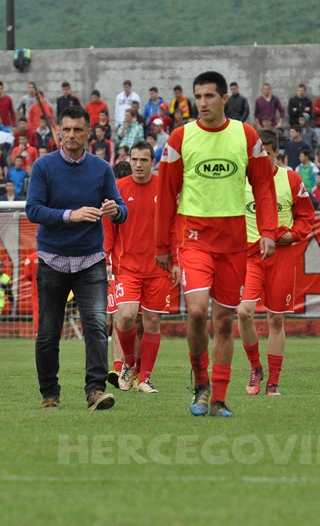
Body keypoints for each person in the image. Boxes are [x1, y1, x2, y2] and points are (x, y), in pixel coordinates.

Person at [155, 71, 277, 418]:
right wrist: (161, 245)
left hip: (235, 242)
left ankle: (219, 397)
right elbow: (166, 194)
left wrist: (267, 230)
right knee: (196, 312)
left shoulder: (246, 135)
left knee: (224, 321)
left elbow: (264, 187)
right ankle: (200, 383)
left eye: (209, 96)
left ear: (225, 98)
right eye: (199, 96)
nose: (203, 103)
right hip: (193, 238)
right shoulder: (180, 138)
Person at [25, 105, 128, 411]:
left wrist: (115, 210)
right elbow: (33, 209)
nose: (71, 135)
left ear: (88, 132)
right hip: (52, 260)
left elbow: (122, 208)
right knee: (47, 332)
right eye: (66, 129)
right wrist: (71, 215)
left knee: (96, 325)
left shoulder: (101, 168)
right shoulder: (43, 167)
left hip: (90, 260)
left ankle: (95, 390)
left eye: (77, 130)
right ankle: (49, 394)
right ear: (59, 131)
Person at [237, 128, 315, 396]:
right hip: (250, 256)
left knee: (276, 319)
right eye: (257, 154)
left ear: (276, 153)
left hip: (281, 256)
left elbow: (306, 217)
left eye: (267, 154)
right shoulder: (241, 181)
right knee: (244, 311)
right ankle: (255, 367)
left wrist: (291, 236)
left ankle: (273, 382)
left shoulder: (291, 180)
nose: (261, 159)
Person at [103, 141, 175, 394]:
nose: (138, 164)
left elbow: (174, 227)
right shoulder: (118, 189)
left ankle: (145, 378)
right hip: (128, 267)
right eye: (134, 159)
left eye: (144, 160)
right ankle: (129, 365)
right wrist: (107, 259)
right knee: (124, 317)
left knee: (152, 322)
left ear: (152, 162)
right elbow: (109, 229)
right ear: (129, 160)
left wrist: (175, 260)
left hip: (158, 268)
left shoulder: (164, 189)